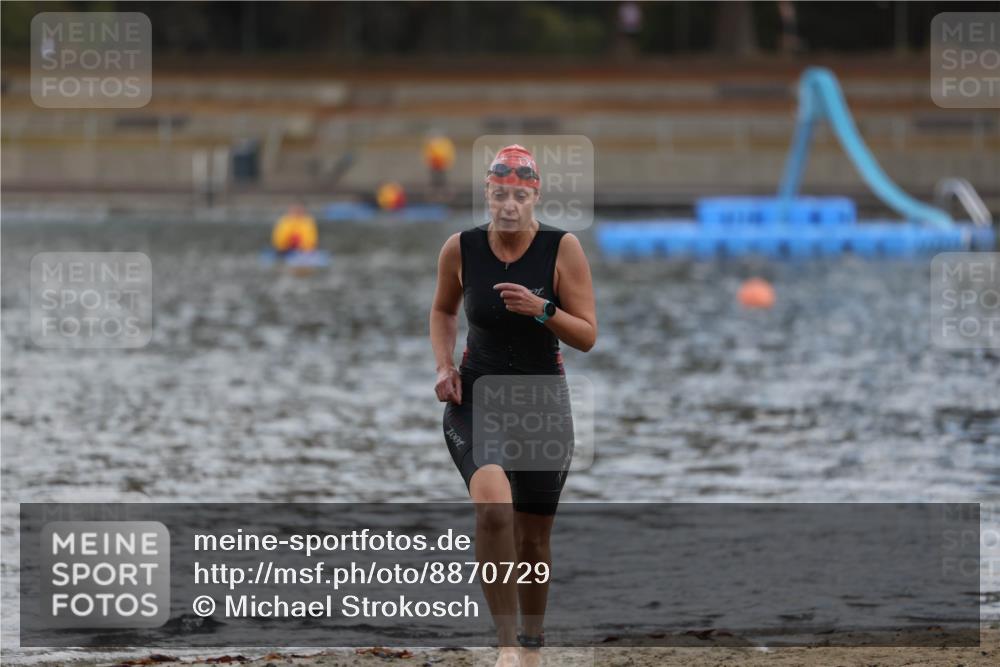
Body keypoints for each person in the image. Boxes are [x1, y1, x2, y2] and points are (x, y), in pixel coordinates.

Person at [429, 145, 597, 666]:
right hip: (477, 399)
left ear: (534, 197)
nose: (508, 205)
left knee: (533, 541)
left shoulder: (561, 249)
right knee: (494, 509)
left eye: (518, 196)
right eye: (499, 194)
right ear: (487, 193)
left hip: (543, 404)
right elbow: (443, 310)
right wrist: (444, 366)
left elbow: (587, 336)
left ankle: (531, 645)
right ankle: (504, 645)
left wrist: (542, 309)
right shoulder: (460, 248)